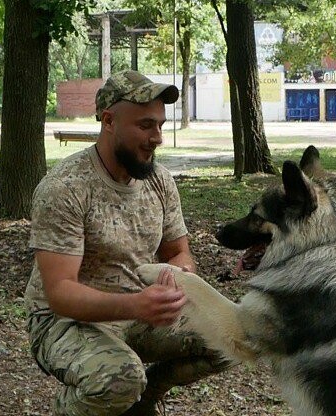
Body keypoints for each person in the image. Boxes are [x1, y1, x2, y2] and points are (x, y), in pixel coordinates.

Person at [25, 71, 230, 416]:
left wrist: (177, 278)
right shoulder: (66, 187)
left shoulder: (159, 181)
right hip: (63, 321)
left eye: (161, 126)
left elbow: (179, 252)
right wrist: (136, 305)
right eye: (145, 125)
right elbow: (60, 292)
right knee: (121, 378)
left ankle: (143, 402)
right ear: (109, 121)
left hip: (138, 311)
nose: (157, 138)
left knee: (229, 337)